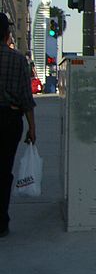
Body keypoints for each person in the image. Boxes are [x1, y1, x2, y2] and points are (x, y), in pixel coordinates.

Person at [0, 13, 36, 237]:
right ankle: (1, 222)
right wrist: (32, 128)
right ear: (6, 34)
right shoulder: (18, 59)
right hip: (8, 120)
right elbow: (26, 97)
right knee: (4, 171)